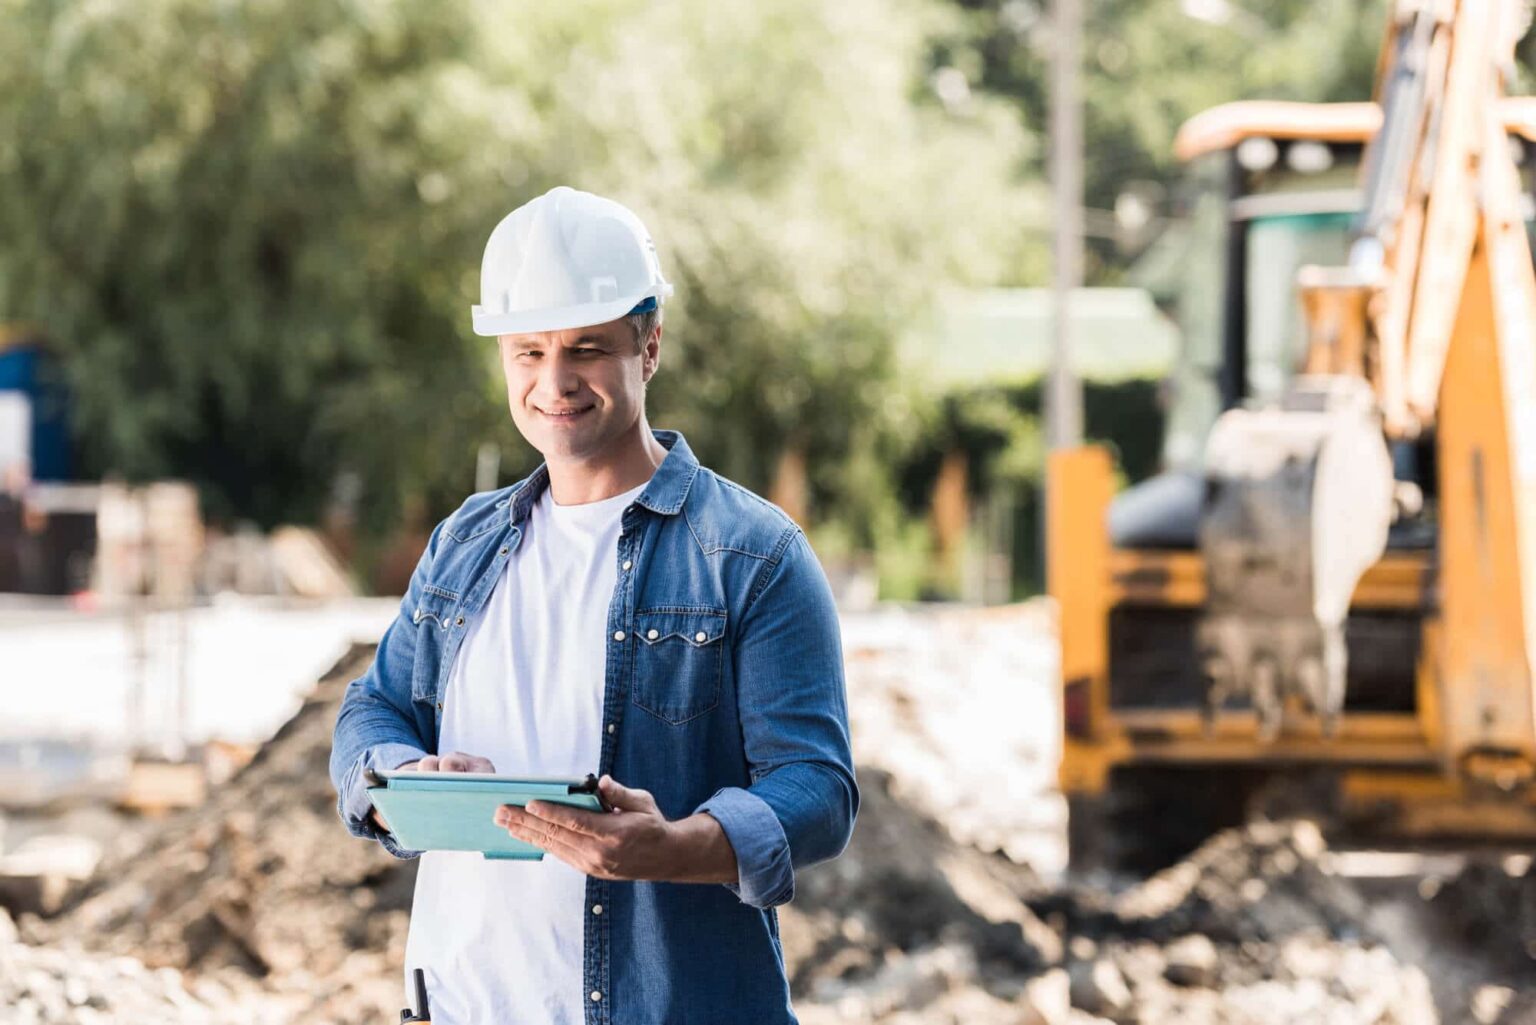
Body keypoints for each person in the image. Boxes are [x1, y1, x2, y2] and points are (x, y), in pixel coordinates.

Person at [329, 186, 859, 1025]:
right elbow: (375, 705)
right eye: (528, 352)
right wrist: (396, 772)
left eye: (585, 348)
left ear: (649, 346)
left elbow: (818, 788)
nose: (554, 381)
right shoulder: (465, 543)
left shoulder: (753, 555)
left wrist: (681, 848)